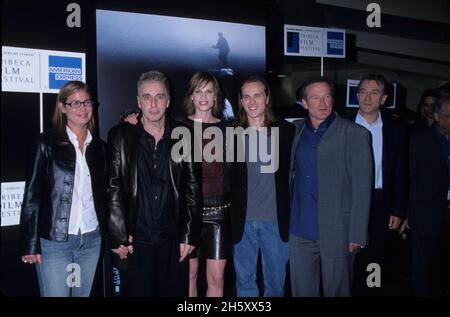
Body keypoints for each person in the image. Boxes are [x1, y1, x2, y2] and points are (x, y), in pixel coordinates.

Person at [107, 70, 202, 297]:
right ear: (138, 101)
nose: (153, 103)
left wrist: (188, 236)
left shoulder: (184, 135)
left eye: (159, 96)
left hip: (173, 241)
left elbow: (193, 188)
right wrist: (119, 236)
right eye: (147, 96)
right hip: (135, 241)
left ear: (168, 101)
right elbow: (113, 187)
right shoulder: (120, 135)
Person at [20, 81, 107, 297]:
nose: (82, 108)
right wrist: (30, 245)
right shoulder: (44, 144)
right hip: (55, 243)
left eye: (87, 102)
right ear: (62, 106)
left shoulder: (100, 148)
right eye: (75, 103)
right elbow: (32, 196)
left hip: (90, 241)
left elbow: (107, 195)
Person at [289, 77, 373, 297]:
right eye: (315, 97)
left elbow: (363, 189)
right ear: (304, 103)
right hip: (299, 230)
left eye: (327, 96)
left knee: (337, 292)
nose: (322, 103)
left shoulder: (355, 134)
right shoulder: (293, 131)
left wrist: (357, 234)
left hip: (338, 231)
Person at [230, 76, 295, 297]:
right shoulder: (231, 132)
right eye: (246, 96)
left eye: (257, 95)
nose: (252, 102)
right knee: (244, 283)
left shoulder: (287, 132)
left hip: (276, 223)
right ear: (240, 101)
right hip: (243, 222)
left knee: (275, 285)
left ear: (267, 98)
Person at [349, 74, 408, 296]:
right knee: (349, 254)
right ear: (356, 95)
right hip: (349, 201)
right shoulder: (342, 123)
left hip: (381, 201)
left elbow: (402, 172)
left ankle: (371, 292)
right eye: (363, 91)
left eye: (374, 93)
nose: (367, 97)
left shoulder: (396, 128)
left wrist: (398, 209)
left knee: (376, 254)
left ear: (383, 98)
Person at [402, 96, 450, 296]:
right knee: (423, 266)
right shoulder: (419, 139)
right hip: (426, 213)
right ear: (437, 116)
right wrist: (407, 214)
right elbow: (410, 178)